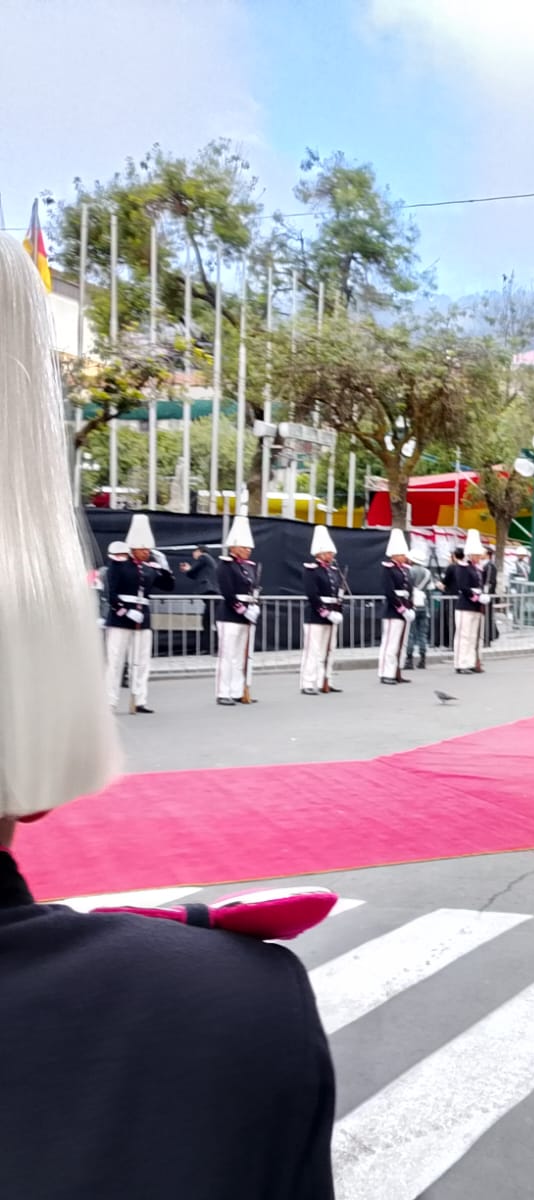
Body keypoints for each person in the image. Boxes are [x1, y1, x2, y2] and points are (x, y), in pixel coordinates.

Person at [0, 232, 337, 1196]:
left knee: (165, 656)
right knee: (174, 651)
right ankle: (188, 684)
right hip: (189, 623)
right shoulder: (218, 1013)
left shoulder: (179, 563)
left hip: (198, 621)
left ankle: (161, 686)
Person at [103, 514, 174, 714]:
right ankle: (110, 700)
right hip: (120, 618)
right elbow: (112, 593)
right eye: (142, 549)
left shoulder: (149, 567)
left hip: (143, 619)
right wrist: (126, 612)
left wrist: (165, 568)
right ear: (132, 548)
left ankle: (140, 698)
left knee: (142, 661)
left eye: (147, 550)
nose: (146, 553)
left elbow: (168, 586)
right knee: (115, 661)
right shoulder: (119, 563)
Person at [215, 515, 260, 707]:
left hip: (246, 614)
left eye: (249, 548)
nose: (248, 550)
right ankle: (222, 692)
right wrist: (242, 609)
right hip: (229, 615)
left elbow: (253, 589)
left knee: (240, 656)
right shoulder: (225, 565)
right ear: (233, 547)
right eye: (244, 547)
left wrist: (255, 605)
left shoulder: (249, 567)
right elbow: (227, 591)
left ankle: (237, 690)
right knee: (227, 655)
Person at [299, 525, 344, 696]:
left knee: (329, 650)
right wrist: (325, 612)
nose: (332, 556)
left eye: (332, 553)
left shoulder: (333, 571)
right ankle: (308, 682)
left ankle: (325, 680)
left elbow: (337, 593)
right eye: (329, 553)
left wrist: (339, 611)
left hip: (332, 613)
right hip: (316, 615)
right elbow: (312, 593)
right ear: (319, 553)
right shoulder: (312, 570)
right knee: (313, 651)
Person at [377, 530, 413, 685]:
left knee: (401, 643)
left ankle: (397, 670)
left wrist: (410, 607)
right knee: (390, 644)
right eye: (402, 554)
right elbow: (389, 591)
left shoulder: (404, 569)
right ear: (395, 554)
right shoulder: (388, 568)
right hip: (394, 610)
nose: (405, 556)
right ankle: (386, 673)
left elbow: (408, 589)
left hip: (404, 607)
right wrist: (401, 608)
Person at [452, 530, 488, 674]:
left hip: (475, 606)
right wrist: (476, 597)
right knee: (464, 635)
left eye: (479, 555)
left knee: (473, 636)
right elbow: (463, 586)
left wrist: (482, 595)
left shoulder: (478, 569)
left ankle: (471, 661)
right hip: (465, 605)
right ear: (470, 554)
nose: (479, 557)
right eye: (476, 555)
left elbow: (480, 585)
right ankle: (461, 663)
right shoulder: (463, 567)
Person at [179, 543, 217, 654]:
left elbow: (193, 571)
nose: (193, 554)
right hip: (212, 593)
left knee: (210, 621)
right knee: (207, 621)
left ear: (200, 551)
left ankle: (212, 647)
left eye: (195, 552)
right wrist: (188, 570)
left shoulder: (204, 557)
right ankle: (209, 647)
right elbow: (194, 574)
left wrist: (189, 569)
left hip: (211, 593)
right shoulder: (207, 564)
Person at [404, 538, 435, 672]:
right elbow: (431, 589)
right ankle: (423, 659)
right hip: (424, 605)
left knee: (410, 633)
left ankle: (409, 660)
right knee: (422, 633)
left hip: (412, 604)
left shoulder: (409, 571)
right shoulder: (428, 573)